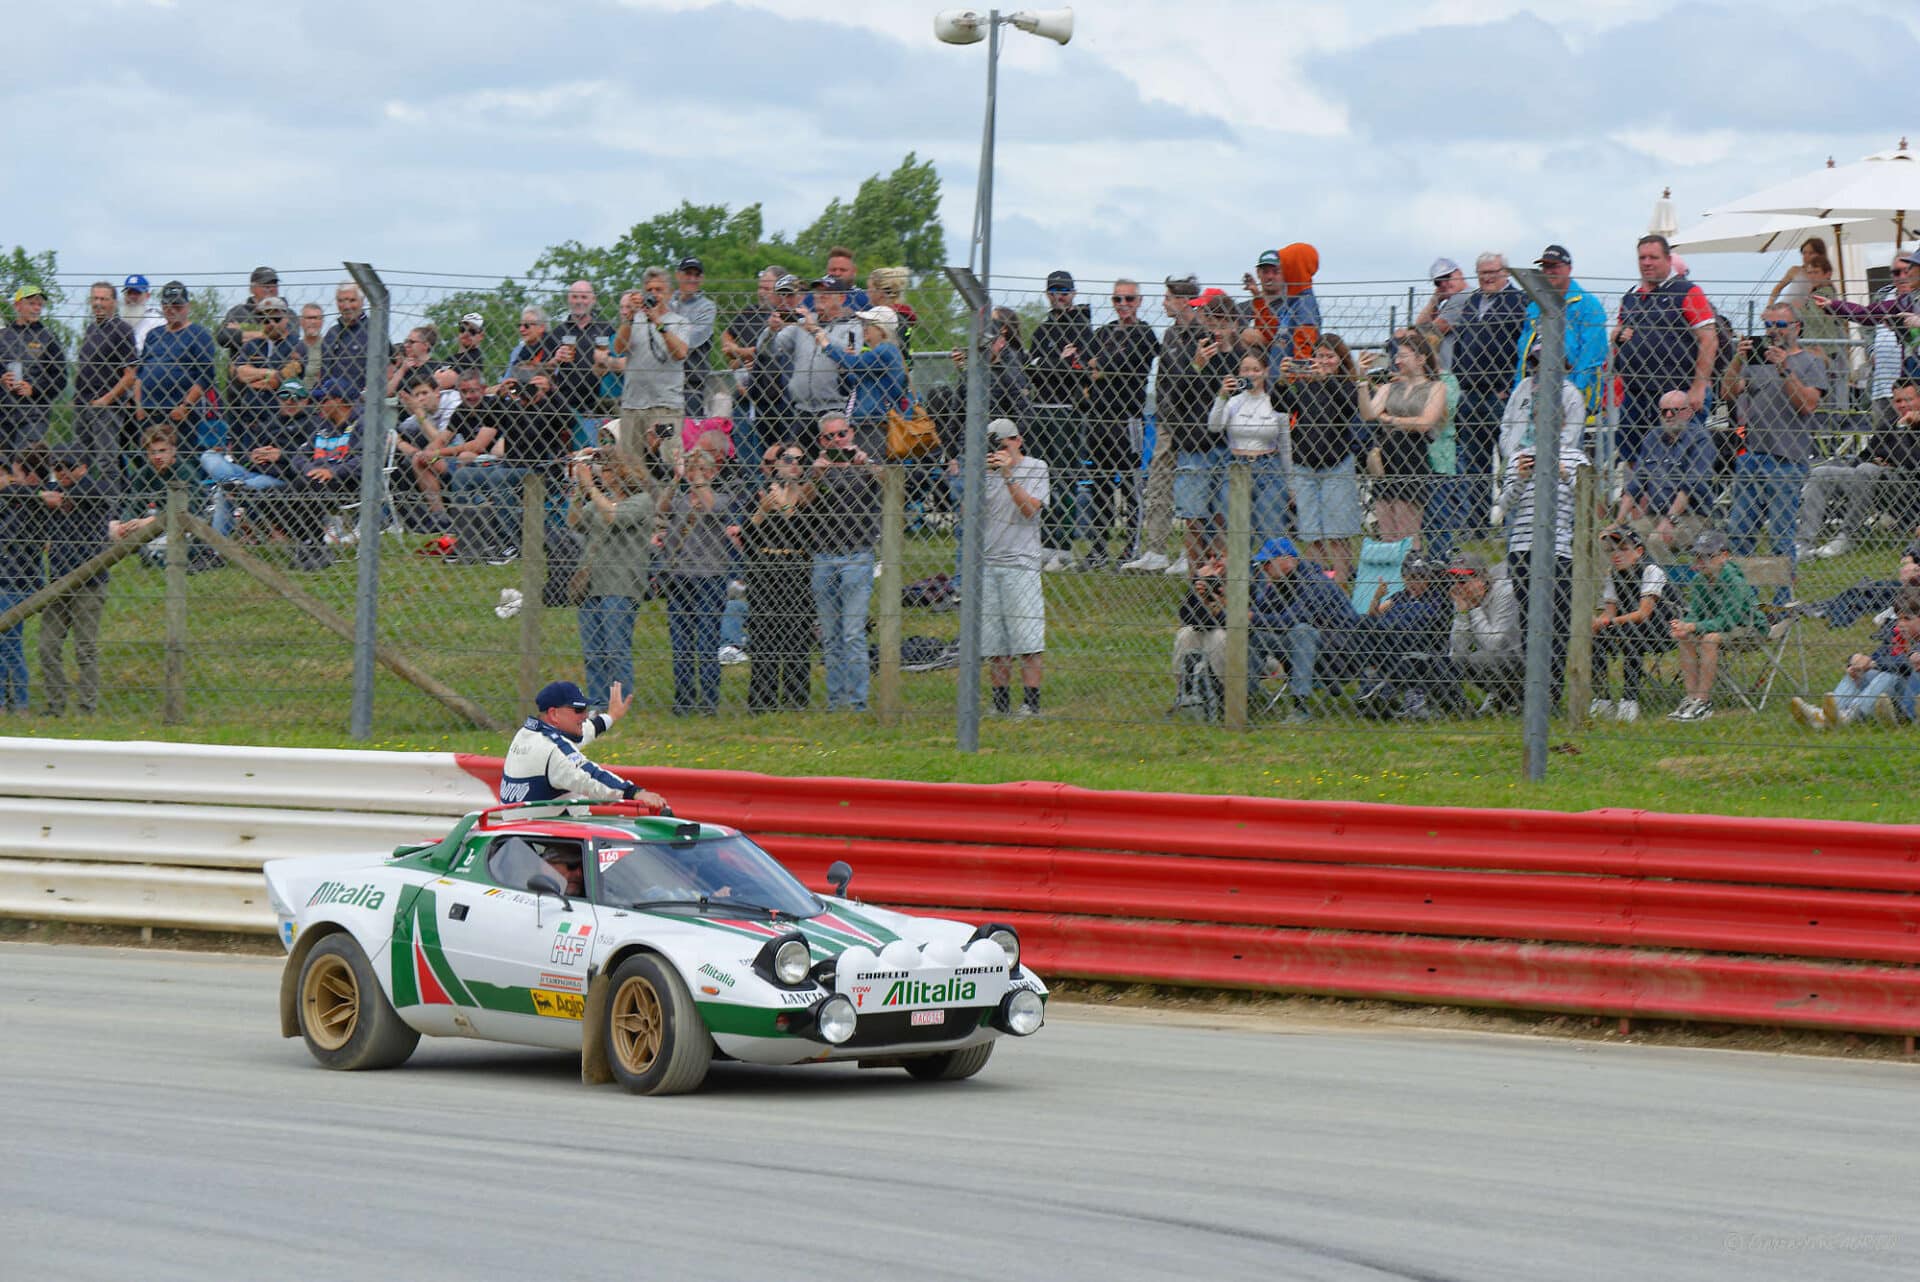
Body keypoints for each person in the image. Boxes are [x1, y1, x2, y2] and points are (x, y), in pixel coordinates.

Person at [1720, 304, 1827, 563]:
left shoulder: (1811, 362)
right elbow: (1727, 393)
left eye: (1780, 325)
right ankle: (1744, 597)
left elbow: (1807, 405)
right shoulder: (1757, 360)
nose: (1773, 331)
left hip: (1787, 459)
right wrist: (1738, 359)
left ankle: (1783, 599)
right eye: (1768, 325)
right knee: (1740, 532)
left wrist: (1784, 369)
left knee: (1781, 536)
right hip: (1752, 455)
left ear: (1796, 327)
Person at [1612, 234, 1718, 464]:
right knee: (1634, 459)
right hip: (1636, 395)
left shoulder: (1687, 291)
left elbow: (1709, 338)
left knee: (1679, 463)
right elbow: (1618, 336)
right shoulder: (1631, 298)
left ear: (1668, 260)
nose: (1647, 262)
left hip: (1676, 395)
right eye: (1642, 257)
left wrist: (1699, 386)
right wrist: (1618, 337)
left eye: (1654, 257)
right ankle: (1639, 499)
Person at [1270, 333, 1364, 584]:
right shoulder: (1304, 384)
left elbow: (1350, 407)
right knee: (1310, 530)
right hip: (1304, 464)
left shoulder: (1346, 383)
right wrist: (1282, 380)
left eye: (1329, 356)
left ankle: (1342, 581)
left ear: (1340, 359)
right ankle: (1317, 584)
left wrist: (1328, 381)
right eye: (1319, 356)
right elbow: (1280, 405)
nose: (1323, 361)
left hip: (1336, 462)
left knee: (1337, 529)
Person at [566, 447, 655, 708]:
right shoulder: (597, 501)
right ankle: (596, 705)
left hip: (621, 585)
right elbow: (574, 522)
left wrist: (591, 488)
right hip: (591, 584)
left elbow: (615, 517)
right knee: (593, 653)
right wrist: (580, 490)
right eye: (600, 469)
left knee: (616, 651)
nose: (601, 474)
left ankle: (619, 706)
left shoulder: (642, 501)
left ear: (622, 472)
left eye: (607, 469)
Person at [806, 415, 882, 713]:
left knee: (853, 633)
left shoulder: (864, 465)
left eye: (841, 434)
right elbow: (803, 501)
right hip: (824, 556)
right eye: (829, 437)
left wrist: (866, 464)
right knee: (831, 635)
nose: (837, 441)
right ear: (821, 441)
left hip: (857, 555)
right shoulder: (818, 469)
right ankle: (836, 700)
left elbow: (892, 485)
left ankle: (858, 702)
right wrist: (816, 475)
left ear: (851, 433)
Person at [654, 447, 739, 715]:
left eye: (702, 469)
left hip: (710, 578)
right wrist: (677, 478)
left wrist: (700, 482)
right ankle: (684, 700)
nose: (696, 475)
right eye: (692, 469)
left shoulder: (722, 498)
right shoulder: (680, 500)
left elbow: (713, 509)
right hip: (680, 576)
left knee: (706, 642)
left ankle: (708, 703)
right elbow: (661, 508)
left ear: (713, 473)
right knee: (681, 643)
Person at [1446, 254, 1528, 526]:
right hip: (1469, 392)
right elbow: (1459, 344)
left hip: (1500, 393)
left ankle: (1509, 520)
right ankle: (1478, 522)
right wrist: (1458, 381)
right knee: (1474, 460)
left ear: (1505, 272)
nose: (1488, 278)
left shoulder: (1518, 302)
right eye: (1482, 273)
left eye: (1493, 272)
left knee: (1510, 457)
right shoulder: (1472, 301)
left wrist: (1509, 387)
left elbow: (1521, 345)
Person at [1798, 377, 1920, 560]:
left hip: (1909, 491)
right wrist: (1877, 463)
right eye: (1898, 400)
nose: (1903, 405)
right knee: (1822, 474)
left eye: (1908, 399)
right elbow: (1864, 457)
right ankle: (1803, 544)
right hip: (1873, 481)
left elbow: (1913, 466)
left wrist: (1912, 429)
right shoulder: (1889, 425)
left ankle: (1847, 537)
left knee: (1868, 470)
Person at [1084, 278, 1160, 571]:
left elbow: (1125, 365)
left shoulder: (1145, 333)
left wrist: (1101, 366)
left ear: (1139, 301)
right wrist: (1100, 367)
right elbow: (1088, 367)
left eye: (1129, 299)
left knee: (1129, 484)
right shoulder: (1103, 333)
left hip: (1127, 417)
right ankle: (1100, 547)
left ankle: (1132, 546)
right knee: (1100, 485)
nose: (1124, 305)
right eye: (1118, 299)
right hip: (1098, 418)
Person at [1248, 535, 1360, 721]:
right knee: (1256, 636)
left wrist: (1253, 617)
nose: (1263, 569)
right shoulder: (1279, 585)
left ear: (1288, 561)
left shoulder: (1315, 582)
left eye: (1267, 563)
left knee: (1302, 631)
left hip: (1339, 653)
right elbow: (1257, 614)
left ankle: (1300, 708)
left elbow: (1291, 619)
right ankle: (1245, 697)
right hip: (1306, 650)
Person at [979, 418, 1049, 717]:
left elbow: (1030, 509)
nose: (998, 450)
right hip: (989, 562)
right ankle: (1000, 703)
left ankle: (1031, 705)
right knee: (995, 642)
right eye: (993, 445)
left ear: (1017, 440)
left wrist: (1008, 475)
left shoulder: (1036, 467)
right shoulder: (984, 472)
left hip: (1021, 562)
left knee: (1028, 639)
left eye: (1003, 444)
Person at [500, 679, 664, 806]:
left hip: (521, 834)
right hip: (546, 841)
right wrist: (634, 792)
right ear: (554, 714)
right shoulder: (555, 750)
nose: (585, 715)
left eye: (586, 709)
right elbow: (590, 776)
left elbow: (584, 731)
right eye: (578, 710)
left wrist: (612, 716)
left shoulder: (528, 732)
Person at [37, 447, 114, 716]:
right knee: (47, 646)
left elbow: (95, 492)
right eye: (57, 468)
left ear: (83, 467)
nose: (63, 473)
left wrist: (55, 497)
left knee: (85, 649)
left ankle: (86, 709)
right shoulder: (50, 491)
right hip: (58, 581)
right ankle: (56, 705)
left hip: (89, 583)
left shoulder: (94, 487)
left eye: (69, 466)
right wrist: (44, 496)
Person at [1025, 271, 1093, 567]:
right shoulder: (1042, 330)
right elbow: (1032, 370)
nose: (1059, 296)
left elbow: (1078, 371)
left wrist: (1052, 365)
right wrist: (1058, 363)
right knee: (1041, 477)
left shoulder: (1083, 329)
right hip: (1041, 409)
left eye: (1064, 291)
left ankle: (1063, 547)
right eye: (1054, 291)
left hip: (1067, 411)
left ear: (1073, 293)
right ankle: (1045, 543)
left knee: (1064, 478)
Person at [741, 441, 815, 712]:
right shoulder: (760, 493)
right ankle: (762, 702)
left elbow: (808, 538)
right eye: (787, 458)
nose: (794, 463)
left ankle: (796, 702)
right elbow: (747, 542)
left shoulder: (811, 497)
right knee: (763, 640)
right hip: (764, 572)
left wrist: (786, 510)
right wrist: (761, 512)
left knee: (796, 640)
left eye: (799, 459)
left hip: (796, 574)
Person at [1357, 329, 1444, 545]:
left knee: (1407, 528)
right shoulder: (1389, 387)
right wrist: (1361, 380)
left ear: (1421, 358)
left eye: (1403, 355)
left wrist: (1390, 419)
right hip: (1386, 456)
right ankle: (1391, 576)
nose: (1397, 360)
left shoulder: (1436, 387)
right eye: (1396, 356)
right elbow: (1369, 414)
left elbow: (1425, 423)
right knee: (1387, 527)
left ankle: (1411, 572)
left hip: (1413, 456)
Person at [1790, 587, 1920, 729]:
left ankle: (1847, 716)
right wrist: (1856, 660)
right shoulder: (1898, 635)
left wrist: (1872, 664)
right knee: (1860, 671)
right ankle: (1825, 715)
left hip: (1909, 696)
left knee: (1888, 675)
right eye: (1898, 618)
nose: (1900, 624)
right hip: (1888, 695)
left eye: (1907, 619)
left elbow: (1904, 665)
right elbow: (1878, 656)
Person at [1668, 529, 1764, 723]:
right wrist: (1684, 625)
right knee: (1685, 637)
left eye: (1708, 556)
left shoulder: (1734, 582)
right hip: (1716, 625)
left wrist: (1693, 626)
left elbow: (1727, 621)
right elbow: (1695, 612)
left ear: (1724, 556)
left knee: (1709, 639)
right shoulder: (1698, 581)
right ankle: (1691, 697)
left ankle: (1704, 701)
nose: (1701, 562)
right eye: (1697, 556)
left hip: (1748, 626)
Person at [1617, 390, 1715, 561]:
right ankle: (1619, 586)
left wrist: (1669, 520)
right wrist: (1617, 522)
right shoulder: (1652, 438)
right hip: (1654, 515)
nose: (1668, 415)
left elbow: (1690, 487)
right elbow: (1635, 485)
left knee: (1657, 540)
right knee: (1613, 538)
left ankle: (1663, 586)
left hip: (1692, 517)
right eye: (1664, 411)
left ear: (1688, 412)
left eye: (1674, 410)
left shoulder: (1700, 439)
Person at [1589, 526, 1674, 724]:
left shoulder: (1650, 570)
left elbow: (1644, 613)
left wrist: (1610, 622)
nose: (1616, 554)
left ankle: (1629, 700)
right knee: (1596, 637)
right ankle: (1602, 699)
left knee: (1630, 632)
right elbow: (1609, 612)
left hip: (1663, 629)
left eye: (1623, 549)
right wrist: (1598, 622)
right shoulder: (1613, 574)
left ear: (1639, 551)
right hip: (1628, 624)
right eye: (1612, 550)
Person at [1207, 351, 1291, 547]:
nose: (1251, 374)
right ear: (1239, 373)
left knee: (1271, 529)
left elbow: (1285, 445)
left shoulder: (1274, 402)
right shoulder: (1234, 402)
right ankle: (1242, 574)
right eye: (1245, 370)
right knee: (1236, 529)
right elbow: (1214, 426)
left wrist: (1290, 482)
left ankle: (1270, 574)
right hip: (1237, 466)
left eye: (1256, 369)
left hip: (1269, 468)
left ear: (1265, 372)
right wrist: (1221, 396)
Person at [203, 378, 307, 537]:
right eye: (285, 396)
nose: (290, 401)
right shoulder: (271, 422)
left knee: (226, 493)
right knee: (208, 456)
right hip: (250, 472)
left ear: (305, 400)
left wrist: (282, 455)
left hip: (282, 478)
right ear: (278, 398)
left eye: (296, 397)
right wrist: (252, 457)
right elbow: (243, 458)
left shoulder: (312, 423)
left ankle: (214, 550)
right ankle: (232, 484)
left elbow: (312, 458)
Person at [1513, 245, 1608, 411]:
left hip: (1573, 398)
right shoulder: (1535, 306)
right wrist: (1519, 392)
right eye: (1545, 267)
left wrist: (1572, 394)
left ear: (1569, 269)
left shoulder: (1588, 305)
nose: (1549, 271)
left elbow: (1592, 356)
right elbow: (1523, 353)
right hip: (1535, 393)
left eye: (1554, 266)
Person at [135, 281, 217, 455]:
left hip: (178, 413)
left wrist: (185, 406)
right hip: (149, 411)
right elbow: (140, 374)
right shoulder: (154, 334)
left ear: (187, 306)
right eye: (166, 304)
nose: (171, 309)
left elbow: (206, 376)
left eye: (177, 305)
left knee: (181, 460)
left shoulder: (199, 334)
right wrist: (138, 405)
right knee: (149, 459)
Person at [821, 304, 907, 463]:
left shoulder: (886, 350)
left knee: (868, 469)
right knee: (858, 469)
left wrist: (827, 345)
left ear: (881, 329)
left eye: (869, 324)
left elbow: (854, 365)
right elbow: (847, 387)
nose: (864, 328)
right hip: (863, 424)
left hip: (875, 424)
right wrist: (845, 366)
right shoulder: (874, 354)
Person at [71, 282, 139, 478]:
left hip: (106, 409)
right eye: (95, 298)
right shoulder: (91, 328)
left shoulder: (122, 330)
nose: (98, 303)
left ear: (114, 303)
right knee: (81, 461)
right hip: (83, 405)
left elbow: (130, 374)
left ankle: (112, 507)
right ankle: (90, 506)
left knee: (106, 462)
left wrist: (106, 400)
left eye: (104, 299)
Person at [1441, 552, 1521, 714]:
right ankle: (1501, 695)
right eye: (1453, 580)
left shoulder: (1504, 592)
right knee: (1456, 659)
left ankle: (1515, 695)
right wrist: (1462, 614)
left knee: (1479, 659)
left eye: (1463, 580)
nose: (1457, 586)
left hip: (1520, 655)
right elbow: (1458, 649)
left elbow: (1495, 645)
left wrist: (1474, 609)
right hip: (1495, 656)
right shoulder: (1463, 597)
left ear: (1482, 578)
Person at [0, 451, 47, 713]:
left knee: (10, 643)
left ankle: (19, 703)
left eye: (5, 473)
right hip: (5, 580)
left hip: (17, 582)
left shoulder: (27, 501)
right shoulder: (13, 500)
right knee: (4, 644)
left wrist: (37, 494)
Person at [0, 285, 69, 453]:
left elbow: (61, 378)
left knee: (24, 462)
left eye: (40, 304)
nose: (37, 308)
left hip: (34, 414)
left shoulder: (48, 337)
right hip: (3, 412)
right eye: (31, 303)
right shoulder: (3, 335)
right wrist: (1, 379)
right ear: (17, 306)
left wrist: (34, 390)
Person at [226, 295, 307, 437]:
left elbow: (279, 380)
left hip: (281, 424)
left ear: (286, 318)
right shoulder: (253, 345)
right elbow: (239, 373)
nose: (271, 323)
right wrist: (270, 372)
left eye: (276, 319)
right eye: (264, 319)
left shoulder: (298, 345)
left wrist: (254, 376)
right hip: (249, 422)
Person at [1172, 554, 1226, 721]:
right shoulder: (1205, 579)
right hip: (1206, 631)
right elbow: (1187, 616)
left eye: (1221, 556)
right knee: (1186, 634)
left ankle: (1223, 697)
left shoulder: (1247, 577)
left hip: (1236, 639)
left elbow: (1237, 620)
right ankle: (1184, 692)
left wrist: (1219, 600)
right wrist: (1200, 592)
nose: (1215, 560)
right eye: (1211, 556)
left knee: (1218, 637)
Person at [672, 258, 717, 416]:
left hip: (692, 382)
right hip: (665, 381)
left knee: (688, 433)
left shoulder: (707, 307)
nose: (692, 279)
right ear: (678, 275)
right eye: (688, 274)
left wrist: (666, 334)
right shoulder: (668, 303)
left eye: (696, 275)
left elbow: (692, 340)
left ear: (701, 279)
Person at [318, 282, 373, 400]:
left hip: (362, 405)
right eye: (341, 301)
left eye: (352, 300)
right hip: (329, 404)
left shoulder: (374, 331)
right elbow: (322, 372)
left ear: (362, 301)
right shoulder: (331, 333)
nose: (346, 306)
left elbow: (389, 369)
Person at [217, 266, 280, 356]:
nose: (271, 288)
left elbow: (288, 336)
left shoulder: (287, 313)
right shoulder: (238, 312)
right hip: (242, 367)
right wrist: (267, 334)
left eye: (274, 284)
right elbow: (223, 337)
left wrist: (242, 328)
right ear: (252, 289)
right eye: (265, 285)